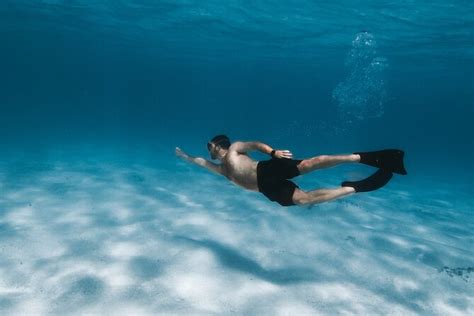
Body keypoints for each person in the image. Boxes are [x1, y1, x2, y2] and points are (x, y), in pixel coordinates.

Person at [175, 135, 407, 206]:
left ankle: (364, 157)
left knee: (309, 164)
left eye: (209, 146)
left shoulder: (235, 149)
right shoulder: (221, 169)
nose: (208, 151)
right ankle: (355, 188)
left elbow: (254, 145)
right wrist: (186, 157)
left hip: (266, 168)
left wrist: (272, 152)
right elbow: (201, 163)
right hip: (265, 188)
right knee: (304, 200)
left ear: (219, 145)